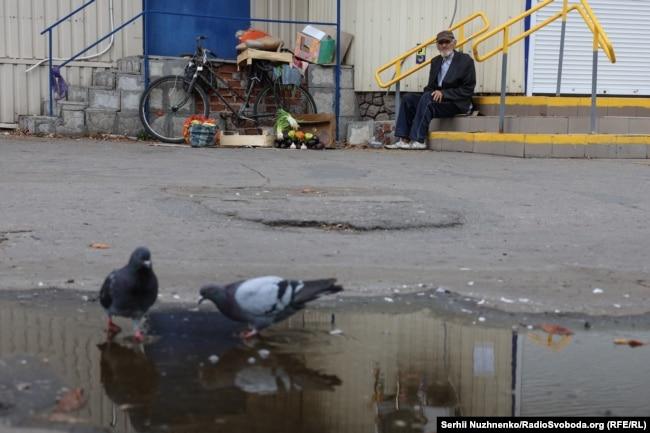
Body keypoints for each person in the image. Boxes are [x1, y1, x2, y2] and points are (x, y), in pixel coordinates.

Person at [386, 30, 476, 150]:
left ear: (454, 43)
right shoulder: (435, 61)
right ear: (437, 45)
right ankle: (404, 139)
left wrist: (444, 93)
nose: (444, 45)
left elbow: (468, 89)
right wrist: (426, 96)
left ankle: (419, 140)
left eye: (447, 42)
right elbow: (430, 87)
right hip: (437, 99)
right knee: (409, 98)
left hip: (456, 102)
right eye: (440, 42)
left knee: (428, 100)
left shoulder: (465, 61)